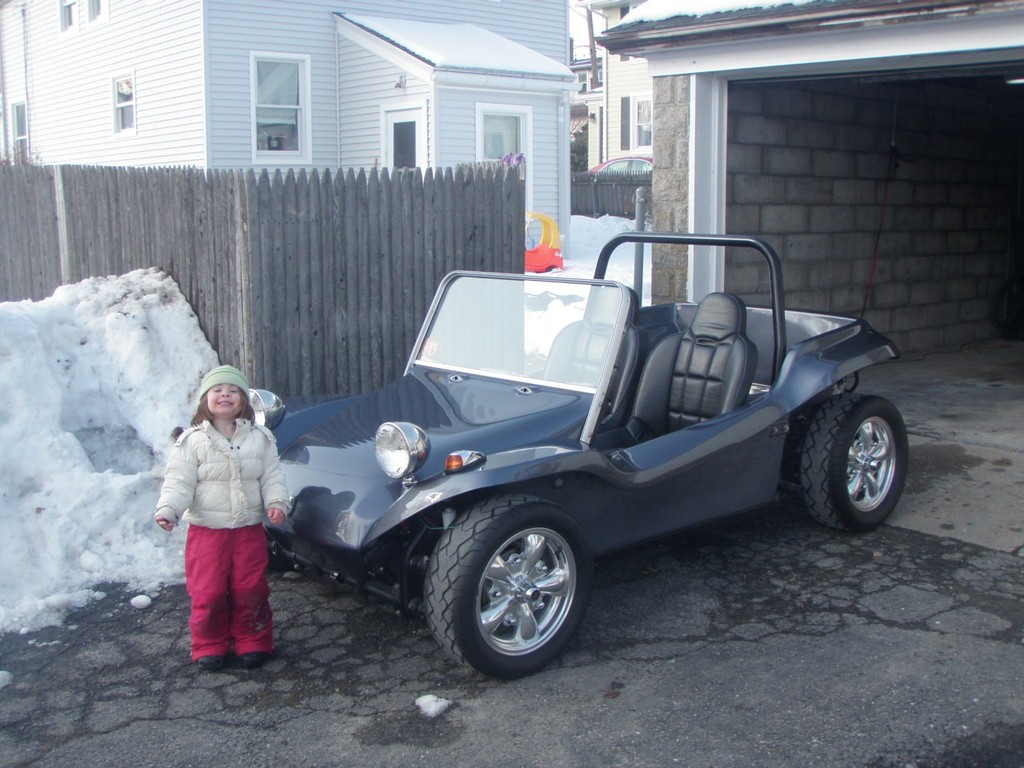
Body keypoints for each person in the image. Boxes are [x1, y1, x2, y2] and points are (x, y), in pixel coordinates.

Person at [155, 365, 290, 672]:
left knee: (250, 588)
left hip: (247, 530)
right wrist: (169, 510)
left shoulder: (260, 438)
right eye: (217, 390)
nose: (224, 395)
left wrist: (277, 502)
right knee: (208, 590)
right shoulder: (191, 441)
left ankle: (253, 640)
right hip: (207, 533)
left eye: (232, 391)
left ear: (243, 400)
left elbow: (272, 476)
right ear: (205, 400)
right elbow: (179, 482)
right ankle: (209, 643)